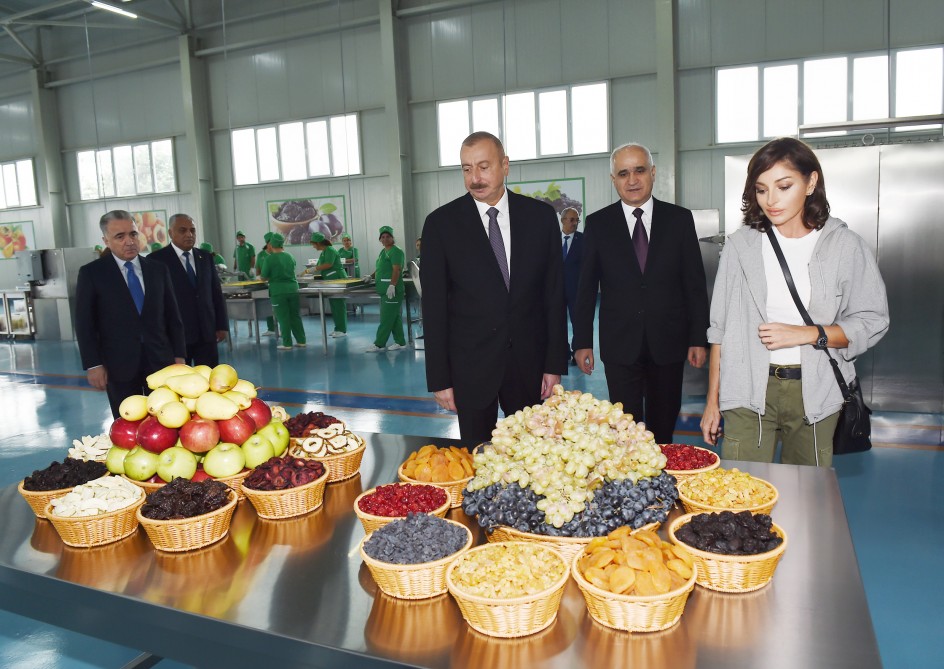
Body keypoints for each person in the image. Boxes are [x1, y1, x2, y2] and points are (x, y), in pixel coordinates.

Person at [700, 138, 889, 467]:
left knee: (807, 497)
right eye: (761, 189)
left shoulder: (844, 246)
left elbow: (872, 320)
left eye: (783, 186)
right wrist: (712, 401)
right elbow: (720, 329)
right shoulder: (740, 246)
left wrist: (807, 333)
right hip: (746, 388)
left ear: (810, 182)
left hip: (815, 391)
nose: (771, 200)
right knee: (742, 493)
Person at [421, 131, 567, 443]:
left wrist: (554, 365)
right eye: (466, 168)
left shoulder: (540, 218)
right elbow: (433, 308)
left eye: (484, 166)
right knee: (477, 460)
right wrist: (440, 379)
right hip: (470, 369)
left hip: (529, 366)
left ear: (505, 165)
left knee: (533, 459)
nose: (474, 178)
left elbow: (554, 296)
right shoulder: (441, 225)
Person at [573, 142, 709, 445]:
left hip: (669, 343)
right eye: (623, 173)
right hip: (620, 344)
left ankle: (661, 481)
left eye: (639, 170)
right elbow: (585, 289)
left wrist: (698, 338)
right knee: (625, 430)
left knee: (663, 426)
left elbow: (694, 284)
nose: (632, 180)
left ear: (653, 173)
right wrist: (581, 341)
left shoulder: (679, 220)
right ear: (613, 180)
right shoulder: (598, 224)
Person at [75, 210, 186, 418]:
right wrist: (94, 364)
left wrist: (179, 355)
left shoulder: (157, 270)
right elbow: (84, 323)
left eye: (133, 234)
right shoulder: (92, 274)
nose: (129, 241)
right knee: (127, 423)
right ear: (106, 240)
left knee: (166, 419)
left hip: (161, 361)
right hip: (118, 364)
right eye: (120, 236)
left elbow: (173, 316)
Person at [149, 214, 229, 367]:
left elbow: (216, 294)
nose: (189, 234)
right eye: (183, 230)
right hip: (175, 337)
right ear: (171, 233)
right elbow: (155, 303)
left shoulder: (205, 258)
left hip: (206, 333)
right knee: (178, 383)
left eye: (192, 230)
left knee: (208, 381)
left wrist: (221, 325)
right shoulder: (156, 261)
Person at [261, 233, 305, 350]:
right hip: (293, 289)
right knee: (295, 316)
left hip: (278, 291)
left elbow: (263, 277)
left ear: (271, 245)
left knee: (283, 318)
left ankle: (287, 343)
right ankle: (301, 340)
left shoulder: (269, 259)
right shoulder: (290, 256)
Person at [365, 226, 406, 352]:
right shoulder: (383, 252)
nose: (385, 239)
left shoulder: (396, 251)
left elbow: (396, 269)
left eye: (388, 236)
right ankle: (400, 342)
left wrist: (392, 285)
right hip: (384, 290)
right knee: (394, 317)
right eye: (383, 237)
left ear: (392, 238)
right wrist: (370, 276)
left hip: (392, 291)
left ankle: (379, 343)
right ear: (380, 240)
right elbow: (380, 269)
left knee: (386, 318)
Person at [310, 232, 348, 337]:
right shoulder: (323, 252)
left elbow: (328, 264)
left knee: (338, 305)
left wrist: (314, 269)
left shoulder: (330, 250)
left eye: (313, 244)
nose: (313, 246)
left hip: (337, 279)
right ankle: (338, 328)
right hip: (330, 280)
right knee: (334, 305)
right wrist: (312, 271)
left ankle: (342, 329)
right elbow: (320, 265)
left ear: (318, 243)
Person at [560, 208, 584, 365]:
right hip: (557, 290)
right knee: (558, 322)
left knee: (578, 322)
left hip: (576, 290)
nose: (575, 223)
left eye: (577, 220)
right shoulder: (552, 239)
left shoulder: (584, 240)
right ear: (562, 220)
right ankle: (563, 352)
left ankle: (576, 352)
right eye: (571, 220)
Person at [256, 232, 276, 337]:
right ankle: (271, 329)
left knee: (277, 307)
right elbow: (258, 270)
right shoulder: (261, 255)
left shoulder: (277, 253)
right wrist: (258, 277)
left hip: (276, 284)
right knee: (267, 305)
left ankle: (279, 328)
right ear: (268, 244)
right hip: (264, 285)